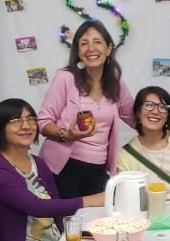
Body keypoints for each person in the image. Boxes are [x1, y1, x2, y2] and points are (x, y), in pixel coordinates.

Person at [0, 99, 105, 241]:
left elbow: (56, 208)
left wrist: (77, 238)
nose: (26, 126)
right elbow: (36, 207)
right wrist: (90, 200)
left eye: (30, 119)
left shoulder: (38, 162)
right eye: (15, 121)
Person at [36, 20, 136, 197]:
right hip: (64, 167)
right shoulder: (65, 78)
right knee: (70, 222)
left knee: (99, 222)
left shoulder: (115, 81)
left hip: (99, 167)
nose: (91, 48)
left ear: (109, 48)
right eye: (84, 43)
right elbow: (43, 122)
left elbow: (135, 117)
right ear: (78, 52)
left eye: (97, 42)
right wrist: (67, 134)